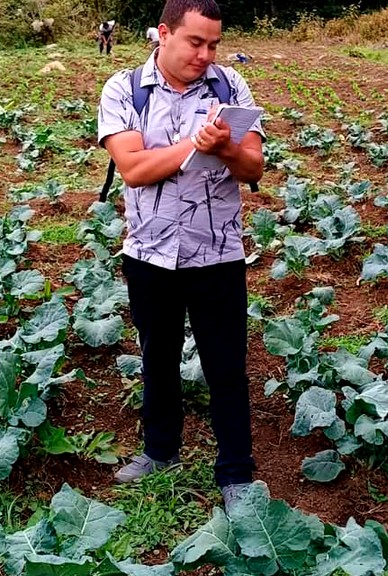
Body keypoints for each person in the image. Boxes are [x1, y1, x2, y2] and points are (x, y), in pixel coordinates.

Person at [97, 0, 264, 512]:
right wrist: (197, 142)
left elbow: (254, 164)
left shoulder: (230, 86)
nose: (206, 55)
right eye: (196, 42)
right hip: (149, 252)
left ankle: (236, 472)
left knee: (226, 366)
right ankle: (160, 451)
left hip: (217, 252)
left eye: (213, 44)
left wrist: (227, 150)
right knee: (158, 357)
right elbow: (133, 168)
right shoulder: (124, 89)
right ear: (163, 34)